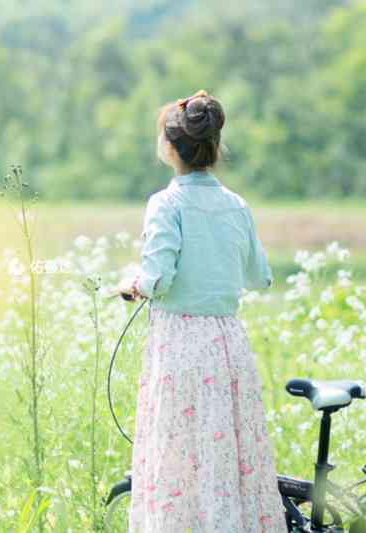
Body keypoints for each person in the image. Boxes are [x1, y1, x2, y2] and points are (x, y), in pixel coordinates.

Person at [117, 90, 286, 532]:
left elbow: (158, 279)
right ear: (213, 147)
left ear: (170, 147)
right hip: (227, 345)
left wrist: (133, 284)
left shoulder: (166, 204)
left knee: (178, 459)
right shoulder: (236, 205)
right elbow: (260, 276)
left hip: (180, 347)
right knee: (227, 458)